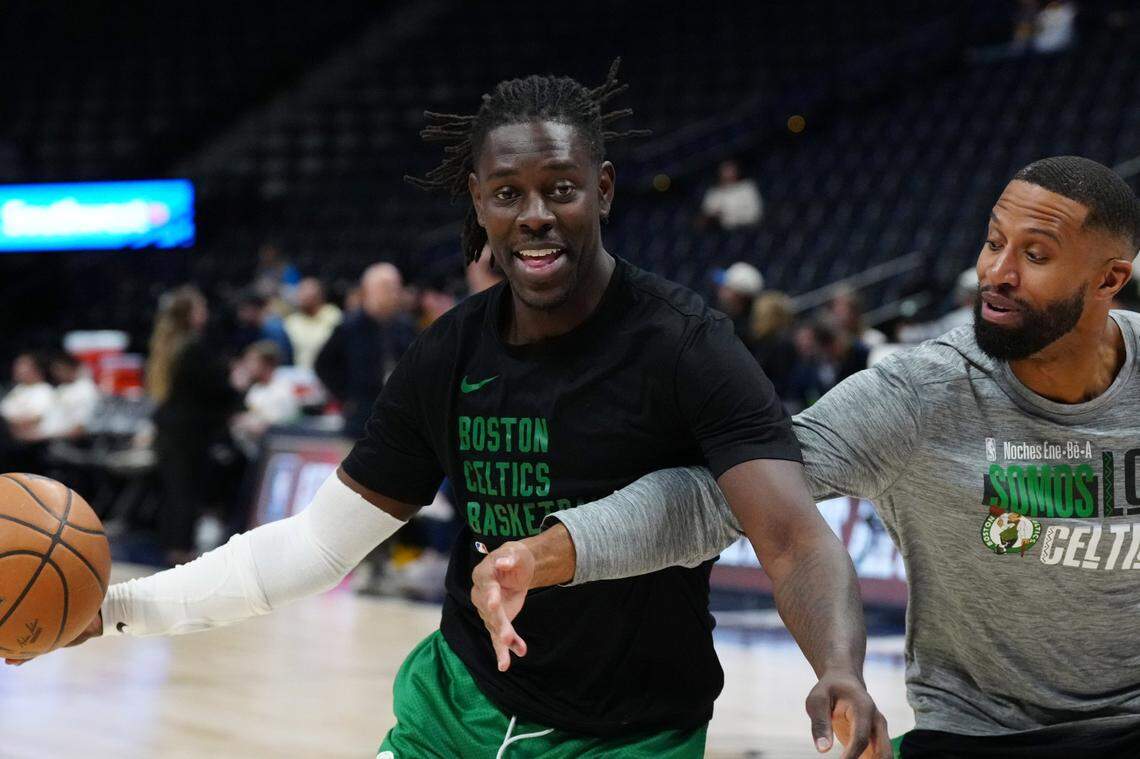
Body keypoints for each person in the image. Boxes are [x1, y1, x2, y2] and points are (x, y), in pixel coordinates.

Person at [19, 63, 889, 759]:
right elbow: (317, 544)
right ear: (478, 201)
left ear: (606, 189)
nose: (536, 215)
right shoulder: (450, 352)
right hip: (457, 707)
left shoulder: (686, 345)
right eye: (508, 193)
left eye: (562, 188)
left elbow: (795, 537)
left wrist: (839, 667)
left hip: (629, 732)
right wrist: (117, 609)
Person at [469, 156, 1140, 757]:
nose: (996, 272)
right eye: (994, 241)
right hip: (980, 732)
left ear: (1110, 277)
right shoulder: (921, 397)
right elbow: (724, 496)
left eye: (1036, 254)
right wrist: (543, 554)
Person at [146, 286, 243, 566]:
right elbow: (215, 389)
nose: (205, 313)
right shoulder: (193, 348)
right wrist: (235, 382)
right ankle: (181, 551)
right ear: (189, 314)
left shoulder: (168, 345)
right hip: (189, 432)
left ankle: (172, 547)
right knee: (185, 492)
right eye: (200, 308)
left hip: (170, 429)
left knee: (174, 491)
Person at [314, 262, 415, 436]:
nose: (394, 293)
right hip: (360, 416)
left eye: (397, 287)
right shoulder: (349, 326)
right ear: (368, 290)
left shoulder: (404, 326)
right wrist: (346, 397)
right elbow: (323, 364)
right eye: (387, 287)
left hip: (398, 415)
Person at [36, 351, 101, 440]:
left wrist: (51, 437)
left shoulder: (85, 389)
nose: (56, 374)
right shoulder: (61, 389)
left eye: (60, 369)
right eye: (54, 370)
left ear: (72, 368)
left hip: (68, 442)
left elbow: (81, 425)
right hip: (47, 438)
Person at [283, 277, 342, 370]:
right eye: (301, 292)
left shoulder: (333, 315)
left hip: (329, 372)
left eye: (308, 293)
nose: (303, 296)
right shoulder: (292, 322)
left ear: (320, 296)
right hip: (300, 375)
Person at [699, 159, 764, 229]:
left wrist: (726, 215)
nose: (728, 174)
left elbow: (755, 214)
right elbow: (706, 215)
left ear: (737, 171)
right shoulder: (713, 192)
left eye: (730, 170)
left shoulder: (747, 187)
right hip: (720, 232)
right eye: (725, 171)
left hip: (748, 229)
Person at [714, 261, 765, 349]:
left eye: (727, 288)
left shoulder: (741, 334)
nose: (720, 290)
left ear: (739, 296)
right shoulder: (724, 320)